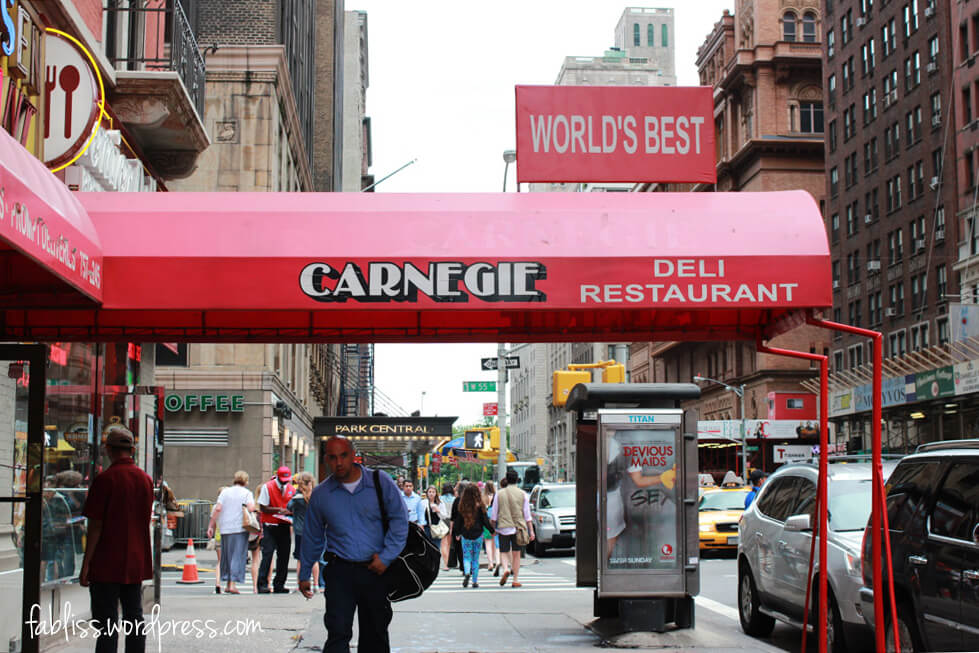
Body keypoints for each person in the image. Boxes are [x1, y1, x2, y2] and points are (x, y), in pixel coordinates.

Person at [299, 436, 408, 653]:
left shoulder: (380, 482)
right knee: (338, 632)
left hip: (375, 570)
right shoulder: (322, 494)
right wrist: (304, 574)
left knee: (375, 634)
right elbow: (312, 536)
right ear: (327, 460)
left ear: (353, 455)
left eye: (343, 455)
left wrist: (386, 557)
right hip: (340, 571)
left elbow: (400, 520)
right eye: (332, 457)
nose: (338, 462)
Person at [80, 425, 154, 653]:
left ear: (108, 450)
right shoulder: (145, 480)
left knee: (107, 624)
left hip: (106, 561)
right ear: (132, 450)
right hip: (134, 560)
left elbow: (96, 526)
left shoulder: (105, 480)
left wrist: (86, 565)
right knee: (134, 617)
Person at [208, 474, 257, 594]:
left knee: (227, 556)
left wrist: (210, 525)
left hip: (225, 528)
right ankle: (232, 585)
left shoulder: (225, 492)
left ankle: (228, 583)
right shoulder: (246, 493)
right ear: (245, 481)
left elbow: (218, 508)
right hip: (240, 527)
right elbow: (251, 508)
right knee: (237, 556)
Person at [490, 469, 535, 588]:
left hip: (503, 527)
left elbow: (494, 514)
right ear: (517, 480)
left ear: (507, 478)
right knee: (516, 554)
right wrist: (531, 531)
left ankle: (505, 569)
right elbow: (527, 515)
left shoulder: (499, 494)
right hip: (518, 527)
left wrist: (493, 528)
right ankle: (515, 579)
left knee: (504, 551)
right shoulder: (523, 494)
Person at [257, 466, 296, 593]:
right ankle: (262, 584)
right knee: (267, 555)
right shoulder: (267, 487)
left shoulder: (291, 489)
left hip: (284, 525)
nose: (285, 482)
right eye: (283, 479)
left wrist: (290, 513)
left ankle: (279, 584)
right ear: (278, 477)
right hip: (270, 525)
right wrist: (279, 510)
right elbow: (263, 507)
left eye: (287, 479)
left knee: (284, 556)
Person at [454, 484, 494, 588]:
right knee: (475, 559)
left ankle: (467, 572)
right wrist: (492, 530)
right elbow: (485, 520)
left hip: (466, 534)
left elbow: (458, 521)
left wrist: (457, 533)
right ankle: (475, 581)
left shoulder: (462, 505)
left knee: (466, 557)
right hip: (478, 535)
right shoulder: (480, 505)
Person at [288, 472, 319, 590]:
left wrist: (297, 492)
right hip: (314, 530)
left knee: (300, 559)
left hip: (300, 531)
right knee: (314, 559)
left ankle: (300, 583)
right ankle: (316, 584)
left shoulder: (297, 498)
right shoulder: (316, 496)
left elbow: (288, 506)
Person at [208, 486, 228, 594]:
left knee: (220, 561)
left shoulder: (215, 507)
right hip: (229, 535)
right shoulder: (229, 506)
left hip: (219, 536)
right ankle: (230, 584)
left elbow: (214, 523)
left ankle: (218, 583)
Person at [481, 481, 499, 575]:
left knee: (488, 543)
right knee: (495, 544)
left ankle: (490, 563)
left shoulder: (483, 497)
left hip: (486, 521)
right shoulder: (496, 496)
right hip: (495, 521)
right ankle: (497, 562)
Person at [438, 484, 454, 570]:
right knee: (449, 543)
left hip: (443, 521)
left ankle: (446, 564)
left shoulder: (440, 499)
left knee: (443, 544)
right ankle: (450, 562)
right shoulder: (454, 499)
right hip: (452, 521)